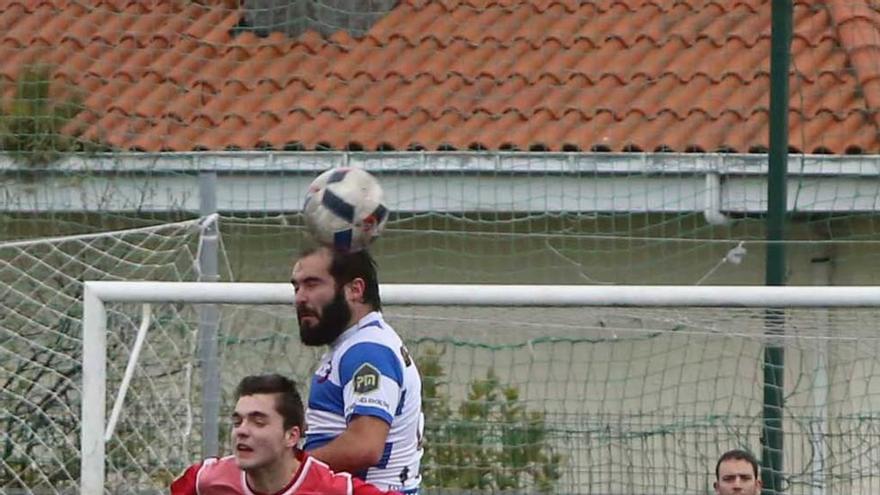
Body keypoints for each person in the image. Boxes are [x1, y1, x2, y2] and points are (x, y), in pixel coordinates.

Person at [291, 246, 422, 494]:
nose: (300, 297)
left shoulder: (367, 351)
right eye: (296, 287)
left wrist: (289, 468)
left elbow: (365, 446)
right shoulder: (353, 344)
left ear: (355, 290)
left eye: (312, 284)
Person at [170, 374, 398, 495]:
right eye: (237, 421)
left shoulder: (331, 488)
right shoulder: (207, 479)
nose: (242, 431)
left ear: (291, 436)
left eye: (258, 422)